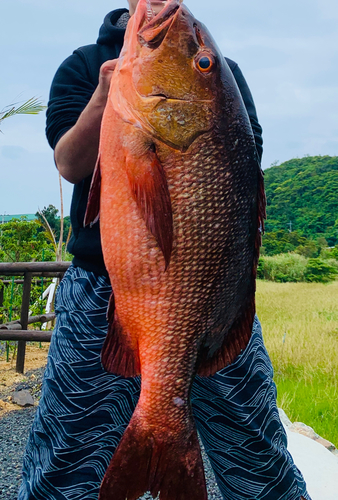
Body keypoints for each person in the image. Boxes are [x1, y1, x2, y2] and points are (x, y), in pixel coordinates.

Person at [18, 1, 311, 499]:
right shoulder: (84, 65)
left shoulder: (228, 78)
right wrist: (107, 96)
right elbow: (68, 163)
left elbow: (245, 171)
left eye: (202, 63)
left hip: (210, 293)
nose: (166, 12)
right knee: (66, 458)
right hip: (99, 290)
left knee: (257, 451)